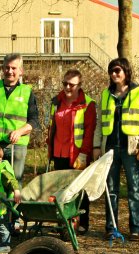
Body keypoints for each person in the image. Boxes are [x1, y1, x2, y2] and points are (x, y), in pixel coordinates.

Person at [93, 58, 139, 241]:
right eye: (111, 71)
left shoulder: (138, 93)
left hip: (132, 150)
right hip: (110, 149)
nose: (114, 74)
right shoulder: (105, 95)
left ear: (126, 72)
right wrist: (96, 146)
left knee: (134, 189)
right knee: (111, 189)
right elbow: (99, 123)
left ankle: (136, 228)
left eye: (117, 70)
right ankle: (111, 228)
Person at [47, 69, 96, 234]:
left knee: (79, 189)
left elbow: (89, 132)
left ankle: (82, 223)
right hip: (59, 152)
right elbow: (52, 127)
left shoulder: (88, 104)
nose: (67, 87)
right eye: (65, 83)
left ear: (79, 85)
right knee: (60, 189)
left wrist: (84, 153)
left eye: (72, 84)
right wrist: (50, 148)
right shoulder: (56, 102)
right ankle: (62, 222)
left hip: (77, 154)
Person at [0, 53, 40, 188]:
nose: (10, 71)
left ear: (21, 71)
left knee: (14, 184)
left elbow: (34, 120)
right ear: (2, 69)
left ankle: (13, 209)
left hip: (17, 146)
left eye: (14, 68)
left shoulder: (27, 92)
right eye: (7, 68)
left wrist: (20, 132)